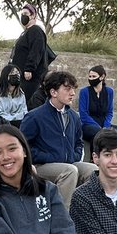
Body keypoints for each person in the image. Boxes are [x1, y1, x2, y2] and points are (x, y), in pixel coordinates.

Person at [18, 70, 97, 206]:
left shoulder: (74, 117)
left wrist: (74, 155)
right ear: (53, 92)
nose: (72, 93)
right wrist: (49, 157)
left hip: (68, 163)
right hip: (41, 166)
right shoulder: (34, 117)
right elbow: (23, 147)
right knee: (69, 171)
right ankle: (61, 214)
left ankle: (82, 210)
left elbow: (78, 143)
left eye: (73, 89)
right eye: (67, 89)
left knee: (93, 170)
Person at [10, 3, 52, 109]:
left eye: (26, 13)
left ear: (33, 15)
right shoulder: (25, 33)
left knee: (29, 102)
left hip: (30, 77)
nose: (23, 16)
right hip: (21, 75)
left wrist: (29, 68)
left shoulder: (36, 31)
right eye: (22, 14)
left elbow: (36, 50)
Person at [78, 65, 117, 142]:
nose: (91, 79)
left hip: (104, 125)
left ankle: (111, 148)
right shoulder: (84, 91)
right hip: (88, 125)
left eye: (94, 76)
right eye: (90, 76)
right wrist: (99, 128)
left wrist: (105, 127)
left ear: (102, 77)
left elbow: (109, 112)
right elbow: (83, 115)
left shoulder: (109, 91)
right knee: (98, 133)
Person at [0, 63, 28, 127]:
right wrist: (15, 117)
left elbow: (24, 112)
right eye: (12, 73)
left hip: (18, 124)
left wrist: (13, 117)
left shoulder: (21, 93)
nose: (16, 75)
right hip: (2, 124)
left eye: (17, 73)